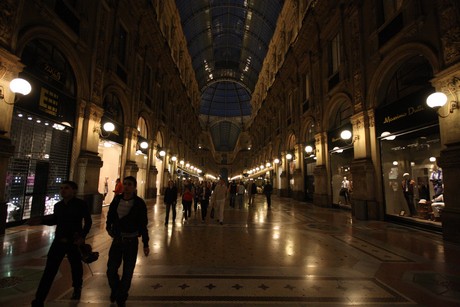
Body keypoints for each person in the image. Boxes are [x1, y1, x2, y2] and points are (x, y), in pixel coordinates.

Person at [31, 181, 92, 307]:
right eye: (61, 188)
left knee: (75, 266)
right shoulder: (58, 206)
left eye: (66, 188)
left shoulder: (81, 204)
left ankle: (77, 287)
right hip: (59, 241)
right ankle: (39, 299)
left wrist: (82, 236)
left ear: (74, 191)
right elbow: (55, 220)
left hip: (74, 242)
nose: (63, 190)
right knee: (49, 270)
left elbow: (88, 222)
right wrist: (41, 221)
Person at [106, 176, 149, 306]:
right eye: (125, 184)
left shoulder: (139, 203)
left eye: (129, 184)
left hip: (131, 241)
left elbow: (143, 224)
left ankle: (121, 296)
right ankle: (115, 288)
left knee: (128, 271)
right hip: (118, 240)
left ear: (135, 187)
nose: (126, 186)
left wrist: (145, 243)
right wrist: (108, 227)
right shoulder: (117, 199)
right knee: (111, 270)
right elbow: (110, 214)